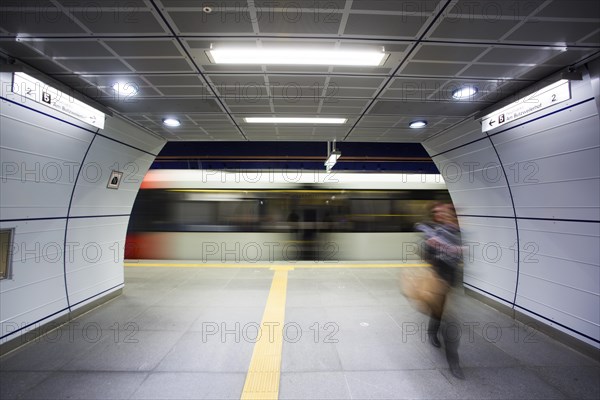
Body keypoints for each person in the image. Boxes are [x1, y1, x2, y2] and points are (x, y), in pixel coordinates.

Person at [416, 203, 464, 379]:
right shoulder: (434, 232)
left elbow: (462, 255)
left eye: (448, 213)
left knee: (440, 314)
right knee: (449, 322)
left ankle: (432, 331)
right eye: (440, 213)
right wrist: (432, 249)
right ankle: (454, 363)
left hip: (450, 283)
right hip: (437, 281)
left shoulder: (459, 233)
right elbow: (424, 252)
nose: (444, 215)